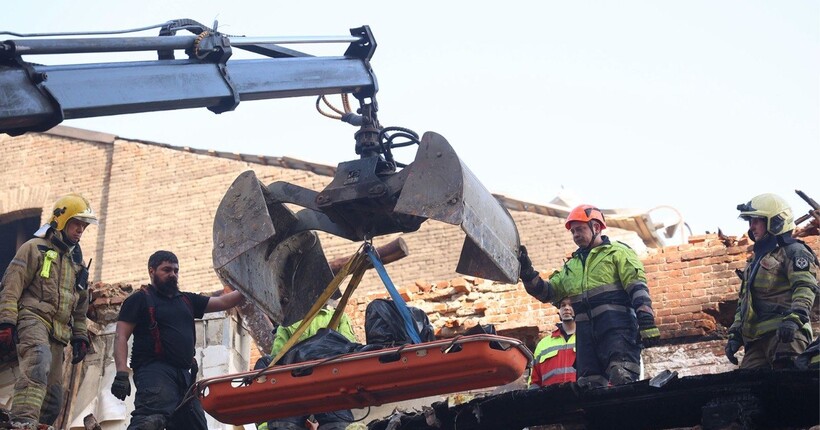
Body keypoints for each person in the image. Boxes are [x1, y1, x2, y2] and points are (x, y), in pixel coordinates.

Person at [518, 205, 659, 388]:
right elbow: (548, 292)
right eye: (573, 231)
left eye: (580, 229)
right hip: (585, 338)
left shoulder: (617, 253)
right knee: (588, 388)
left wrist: (647, 322)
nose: (576, 235)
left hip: (617, 330)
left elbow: (638, 288)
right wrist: (527, 273)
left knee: (622, 378)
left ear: (597, 227)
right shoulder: (572, 266)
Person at [111, 250, 244, 430]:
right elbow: (121, 336)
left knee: (195, 426)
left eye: (175, 270)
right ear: (151, 271)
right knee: (150, 422)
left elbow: (224, 302)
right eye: (166, 270)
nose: (172, 274)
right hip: (154, 371)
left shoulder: (186, 299)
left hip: (185, 376)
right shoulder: (140, 299)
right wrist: (121, 373)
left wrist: (249, 286)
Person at [0, 193, 98, 428]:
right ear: (62, 221)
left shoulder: (77, 264)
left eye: (83, 227)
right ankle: (23, 422)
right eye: (77, 225)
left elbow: (80, 306)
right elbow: (11, 286)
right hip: (32, 319)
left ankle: (39, 425)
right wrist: (6, 322)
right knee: (37, 363)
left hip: (59, 333)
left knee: (54, 398)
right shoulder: (34, 248)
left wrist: (80, 336)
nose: (80, 231)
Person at [725, 193, 818, 369]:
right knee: (748, 390)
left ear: (775, 221)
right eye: (750, 221)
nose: (751, 226)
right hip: (756, 342)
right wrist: (735, 334)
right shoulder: (754, 261)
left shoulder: (794, 251)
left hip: (786, 335)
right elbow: (744, 303)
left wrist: (794, 319)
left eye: (757, 220)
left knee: (789, 387)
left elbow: (805, 287)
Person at [259, 299, 356, 430]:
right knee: (337, 424)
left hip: (298, 385)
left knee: (285, 424)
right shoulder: (337, 316)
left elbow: (277, 359)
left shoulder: (288, 323)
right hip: (328, 382)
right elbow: (348, 348)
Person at [529, 297, 576, 388]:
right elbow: (534, 381)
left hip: (582, 399)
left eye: (571, 305)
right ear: (559, 312)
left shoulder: (587, 339)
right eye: (563, 305)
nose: (566, 308)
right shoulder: (543, 344)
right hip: (551, 399)